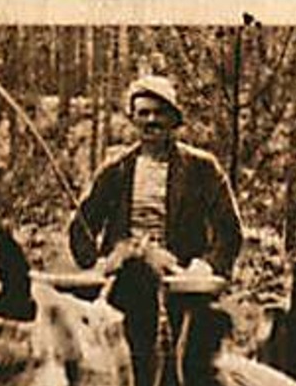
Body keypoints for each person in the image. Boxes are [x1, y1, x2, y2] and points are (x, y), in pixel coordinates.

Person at [67, 74, 244, 278]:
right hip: (122, 277)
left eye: (159, 113)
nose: (151, 120)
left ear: (173, 118)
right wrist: (98, 262)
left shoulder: (202, 168)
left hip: (179, 277)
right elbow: (81, 227)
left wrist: (206, 266)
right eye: (144, 113)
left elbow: (229, 230)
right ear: (133, 118)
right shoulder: (115, 170)